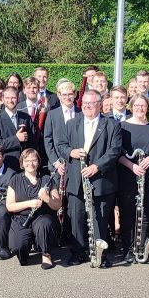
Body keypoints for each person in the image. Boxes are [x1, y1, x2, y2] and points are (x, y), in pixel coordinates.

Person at [56, 90, 122, 267]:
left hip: (101, 180)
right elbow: (60, 145)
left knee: (100, 219)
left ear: (100, 105)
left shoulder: (112, 125)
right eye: (84, 103)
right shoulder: (71, 123)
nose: (86, 106)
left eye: (91, 103)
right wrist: (70, 152)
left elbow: (114, 151)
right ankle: (79, 252)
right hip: (76, 180)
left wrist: (97, 166)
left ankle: (101, 254)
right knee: (77, 218)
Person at [118, 94, 149, 263]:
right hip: (128, 176)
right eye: (136, 105)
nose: (140, 108)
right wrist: (132, 166)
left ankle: (140, 249)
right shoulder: (122, 126)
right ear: (131, 106)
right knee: (128, 214)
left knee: (144, 214)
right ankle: (128, 250)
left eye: (143, 106)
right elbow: (117, 153)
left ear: (148, 108)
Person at [5, 148, 62, 269]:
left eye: (34, 160)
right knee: (18, 248)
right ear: (22, 162)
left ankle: (46, 254)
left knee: (44, 224)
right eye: (27, 160)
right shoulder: (15, 179)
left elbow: (58, 205)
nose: (30, 164)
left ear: (38, 162)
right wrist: (29, 203)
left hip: (42, 217)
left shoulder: (47, 179)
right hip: (21, 218)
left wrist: (47, 198)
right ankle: (25, 248)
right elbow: (10, 206)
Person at [0, 85, 31, 172]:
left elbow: (32, 141)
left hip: (26, 166)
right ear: (3, 99)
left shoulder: (26, 117)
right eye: (7, 98)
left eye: (13, 98)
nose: (10, 101)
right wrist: (16, 139)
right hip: (7, 166)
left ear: (18, 99)